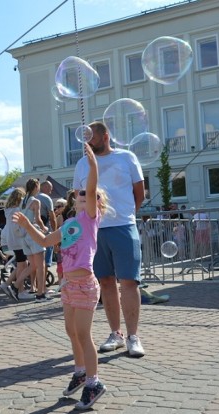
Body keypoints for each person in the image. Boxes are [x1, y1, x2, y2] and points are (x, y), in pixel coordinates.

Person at [14, 142, 107, 410]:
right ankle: (79, 372)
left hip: (86, 285)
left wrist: (93, 166)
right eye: (78, 194)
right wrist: (27, 223)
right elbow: (44, 241)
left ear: (96, 204)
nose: (84, 195)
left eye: (90, 195)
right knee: (70, 331)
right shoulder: (69, 224)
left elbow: (90, 189)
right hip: (68, 284)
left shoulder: (91, 219)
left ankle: (94, 383)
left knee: (83, 333)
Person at [73, 120, 146, 358]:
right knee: (105, 282)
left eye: (91, 136)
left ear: (105, 137)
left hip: (124, 226)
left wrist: (127, 215)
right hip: (95, 231)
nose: (87, 142)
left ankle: (133, 336)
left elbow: (139, 192)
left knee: (129, 282)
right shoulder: (82, 164)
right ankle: (116, 333)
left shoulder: (126, 157)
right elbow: (79, 198)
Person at [16, 178, 48, 302]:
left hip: (23, 236)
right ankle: (40, 293)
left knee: (33, 265)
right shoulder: (35, 201)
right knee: (41, 265)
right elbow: (38, 219)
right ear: (36, 187)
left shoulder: (22, 202)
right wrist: (44, 228)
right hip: (33, 234)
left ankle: (14, 285)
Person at [0, 188, 28, 300]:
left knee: (22, 265)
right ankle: (19, 290)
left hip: (13, 240)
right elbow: (17, 227)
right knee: (22, 265)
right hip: (18, 240)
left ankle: (9, 284)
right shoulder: (17, 210)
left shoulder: (9, 210)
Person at [36, 180, 58, 268]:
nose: (51, 191)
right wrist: (55, 233)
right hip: (44, 231)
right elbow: (52, 218)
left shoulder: (30, 197)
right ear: (45, 187)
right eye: (50, 188)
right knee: (44, 261)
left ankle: (35, 281)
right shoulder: (45, 198)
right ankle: (42, 280)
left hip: (31, 232)